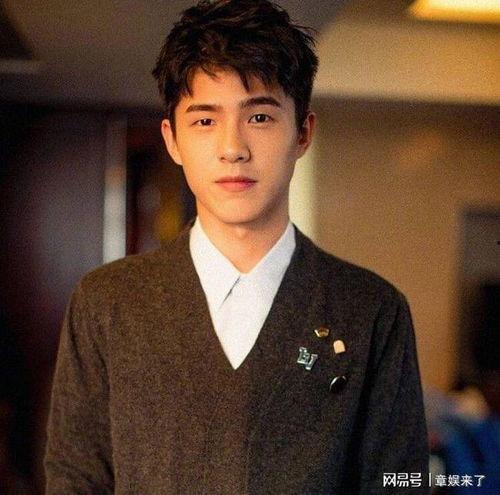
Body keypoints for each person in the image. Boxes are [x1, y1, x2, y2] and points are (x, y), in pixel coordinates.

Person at [44, 1, 429, 493]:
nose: (233, 148)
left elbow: (400, 482)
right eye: (205, 121)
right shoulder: (107, 301)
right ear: (173, 140)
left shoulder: (371, 310)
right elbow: (75, 478)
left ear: (303, 133)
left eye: (260, 117)